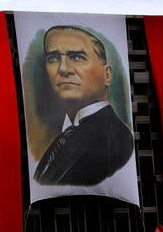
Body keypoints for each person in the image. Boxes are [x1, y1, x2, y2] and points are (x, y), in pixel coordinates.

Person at [33, 26, 134, 186]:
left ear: (107, 75)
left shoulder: (118, 140)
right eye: (53, 58)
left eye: (77, 57)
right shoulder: (65, 135)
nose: (63, 69)